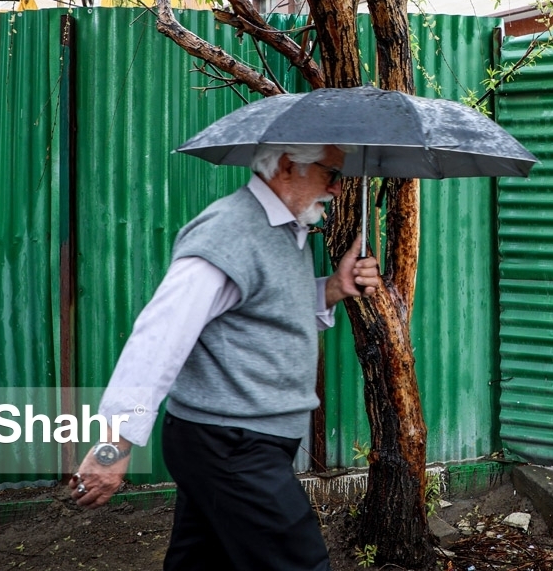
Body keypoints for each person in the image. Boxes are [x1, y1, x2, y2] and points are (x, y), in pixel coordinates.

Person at [69, 143, 380, 571]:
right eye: (331, 173)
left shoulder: (286, 232)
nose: (338, 188)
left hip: (235, 441)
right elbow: (160, 337)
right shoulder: (230, 231)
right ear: (288, 165)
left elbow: (263, 309)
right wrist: (113, 444)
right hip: (230, 444)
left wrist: (334, 288)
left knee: (201, 562)